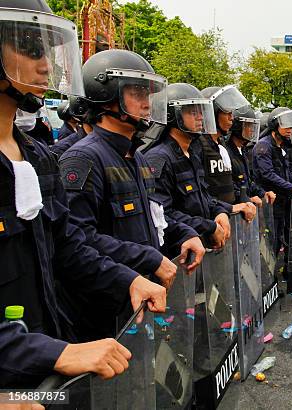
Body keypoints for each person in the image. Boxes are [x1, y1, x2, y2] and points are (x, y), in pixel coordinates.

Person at [0, 0, 166, 388]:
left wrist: (126, 279)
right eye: (30, 47)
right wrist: (53, 353)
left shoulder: (35, 155)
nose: (46, 65)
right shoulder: (78, 156)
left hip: (45, 363)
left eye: (49, 51)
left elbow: (67, 245)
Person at [59, 49, 205, 339]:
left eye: (148, 94)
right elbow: (77, 241)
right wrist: (149, 258)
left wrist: (185, 233)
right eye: (137, 92)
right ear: (108, 95)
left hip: (136, 301)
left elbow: (155, 215)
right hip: (101, 313)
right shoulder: (84, 158)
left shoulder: (134, 156)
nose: (146, 103)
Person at [143, 83, 231, 251]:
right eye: (192, 112)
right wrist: (208, 227)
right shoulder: (159, 158)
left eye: (200, 111)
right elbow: (161, 215)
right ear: (173, 115)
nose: (200, 117)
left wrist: (219, 211)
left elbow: (204, 198)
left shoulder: (193, 153)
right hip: (178, 254)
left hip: (201, 251)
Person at [253, 107, 292, 293]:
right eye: (285, 125)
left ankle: (273, 278)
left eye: (291, 126)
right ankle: (265, 282)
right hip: (269, 204)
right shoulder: (264, 146)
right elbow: (268, 174)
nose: (290, 130)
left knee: (280, 240)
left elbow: (286, 173)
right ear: (274, 125)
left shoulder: (280, 148)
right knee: (269, 242)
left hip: (282, 203)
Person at [199, 85, 257, 221]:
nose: (232, 118)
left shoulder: (221, 145)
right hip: (211, 220)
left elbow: (228, 184)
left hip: (228, 218)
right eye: (227, 113)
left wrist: (243, 200)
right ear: (212, 112)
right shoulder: (199, 146)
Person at [226, 104, 276, 207]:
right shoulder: (227, 152)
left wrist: (263, 193)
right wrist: (247, 199)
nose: (252, 130)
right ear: (237, 126)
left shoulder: (242, 150)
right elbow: (229, 188)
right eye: (248, 125)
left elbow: (248, 182)